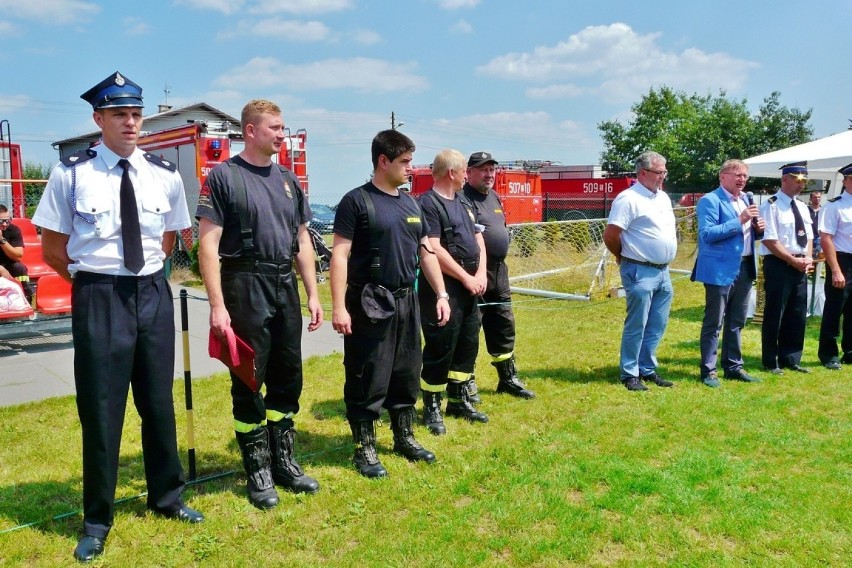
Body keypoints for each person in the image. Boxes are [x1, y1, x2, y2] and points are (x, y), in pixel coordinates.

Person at [32, 71, 202, 563]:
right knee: (102, 411)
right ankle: (97, 520)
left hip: (150, 291)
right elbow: (53, 249)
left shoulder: (164, 175)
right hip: (99, 294)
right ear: (98, 119)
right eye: (119, 115)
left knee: (158, 402)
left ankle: (167, 497)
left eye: (135, 114)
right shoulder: (71, 173)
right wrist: (94, 282)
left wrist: (143, 277)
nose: (130, 123)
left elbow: (167, 241)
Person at [196, 99, 323, 509]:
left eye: (283, 128)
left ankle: (284, 461)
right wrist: (217, 306)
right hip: (244, 282)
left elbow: (302, 241)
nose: (282, 135)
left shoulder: (288, 179)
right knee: (250, 378)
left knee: (288, 377)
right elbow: (208, 245)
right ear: (251, 130)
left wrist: (313, 293)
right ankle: (258, 470)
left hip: (284, 284)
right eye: (275, 128)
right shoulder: (224, 177)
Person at [330, 129, 449, 478]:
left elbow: (426, 251)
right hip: (370, 300)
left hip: (406, 300)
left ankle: (404, 436)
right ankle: (364, 447)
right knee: (368, 374)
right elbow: (339, 255)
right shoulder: (356, 201)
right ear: (383, 161)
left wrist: (441, 294)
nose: (411, 168)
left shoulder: (412, 204)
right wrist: (339, 306)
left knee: (406, 371)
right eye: (405, 162)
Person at [418, 149, 488, 435]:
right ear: (452, 173)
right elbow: (433, 248)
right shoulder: (428, 204)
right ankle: (432, 405)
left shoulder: (463, 202)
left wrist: (480, 273)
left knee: (467, 343)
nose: (465, 176)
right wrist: (464, 278)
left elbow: (477, 237)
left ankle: (458, 398)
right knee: (441, 345)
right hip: (445, 286)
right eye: (463, 171)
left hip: (471, 285)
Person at [462, 152, 535, 400]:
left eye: (492, 169)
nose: (489, 174)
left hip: (499, 272)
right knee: (471, 330)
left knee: (504, 325)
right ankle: (466, 382)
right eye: (483, 169)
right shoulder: (462, 199)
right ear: (468, 172)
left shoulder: (493, 196)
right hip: (474, 273)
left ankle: (508, 378)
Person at [603, 151, 677, 391]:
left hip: (663, 272)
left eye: (665, 172)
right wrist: (622, 256)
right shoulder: (628, 199)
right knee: (637, 323)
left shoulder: (663, 197)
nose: (662, 176)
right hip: (640, 270)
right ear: (643, 173)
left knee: (657, 323)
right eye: (659, 172)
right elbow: (611, 235)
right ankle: (629, 373)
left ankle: (647, 369)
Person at [692, 160, 765, 387]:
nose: (742, 179)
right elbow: (708, 234)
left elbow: (746, 236)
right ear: (722, 176)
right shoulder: (710, 201)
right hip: (719, 269)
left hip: (744, 266)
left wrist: (758, 230)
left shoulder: (745, 199)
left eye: (745, 176)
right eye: (737, 175)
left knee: (737, 320)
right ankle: (709, 370)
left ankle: (734, 366)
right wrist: (740, 219)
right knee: (715, 321)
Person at [758, 161, 814, 374]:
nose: (801, 185)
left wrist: (807, 257)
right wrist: (793, 260)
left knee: (797, 311)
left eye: (804, 181)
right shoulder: (771, 205)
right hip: (779, 263)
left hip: (800, 263)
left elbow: (808, 236)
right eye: (797, 180)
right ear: (785, 179)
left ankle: (791, 357)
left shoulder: (802, 207)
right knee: (776, 312)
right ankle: (771, 360)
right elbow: (769, 240)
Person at [816, 163, 852, 369]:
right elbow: (826, 237)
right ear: (845, 181)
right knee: (834, 309)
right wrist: (836, 269)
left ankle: (850, 350)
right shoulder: (834, 205)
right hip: (842, 260)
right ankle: (829, 354)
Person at [0, 204, 33, 301]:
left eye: (7, 220)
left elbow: (18, 256)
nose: (5, 224)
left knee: (19, 267)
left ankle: (28, 298)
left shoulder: (13, 230)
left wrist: (1, 240)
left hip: (9, 264)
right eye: (1, 221)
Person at [808, 190, 823, 256]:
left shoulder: (824, 210)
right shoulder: (805, 210)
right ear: (810, 199)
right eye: (815, 197)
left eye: (819, 197)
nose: (817, 199)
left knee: (818, 258)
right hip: (808, 238)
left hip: (819, 238)